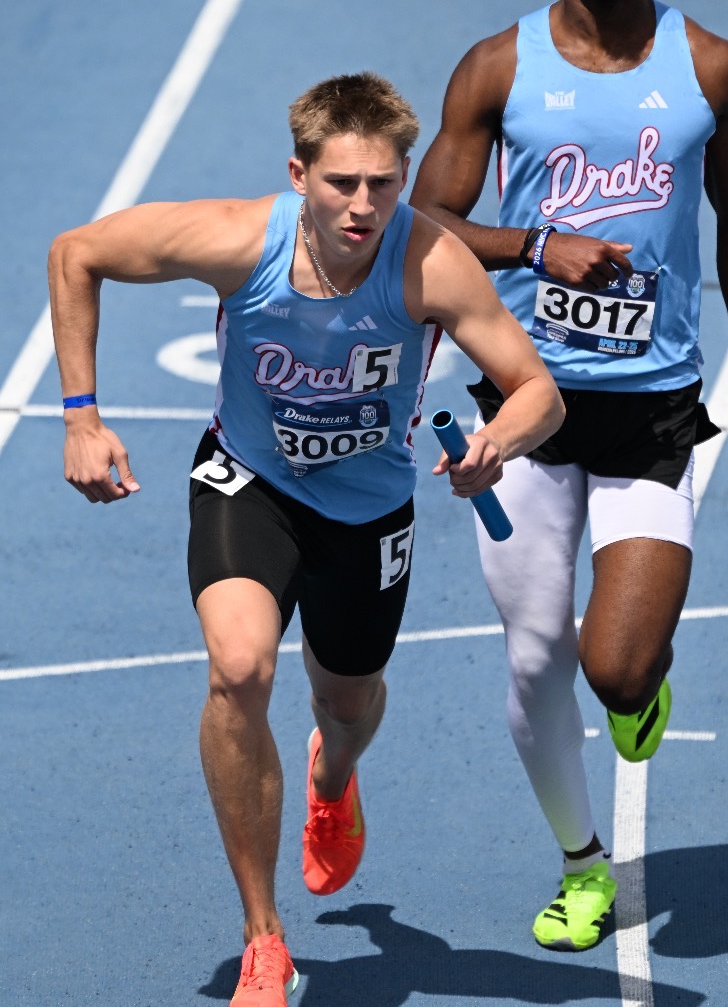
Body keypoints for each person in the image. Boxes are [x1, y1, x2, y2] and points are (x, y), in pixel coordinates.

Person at [48, 72, 563, 1006]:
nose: (363, 205)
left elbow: (539, 390)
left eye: (382, 183)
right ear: (299, 175)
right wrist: (82, 415)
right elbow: (75, 251)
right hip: (251, 481)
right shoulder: (240, 239)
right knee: (239, 669)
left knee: (348, 702)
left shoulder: (432, 264)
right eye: (341, 184)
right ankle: (264, 935)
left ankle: (335, 775)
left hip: (367, 512)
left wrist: (496, 443)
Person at [409, 0, 728, 953]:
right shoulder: (497, 68)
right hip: (522, 404)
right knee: (533, 657)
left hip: (654, 406)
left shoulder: (708, 67)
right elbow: (418, 224)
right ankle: (582, 864)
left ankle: (639, 684)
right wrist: (533, 246)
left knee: (614, 666)